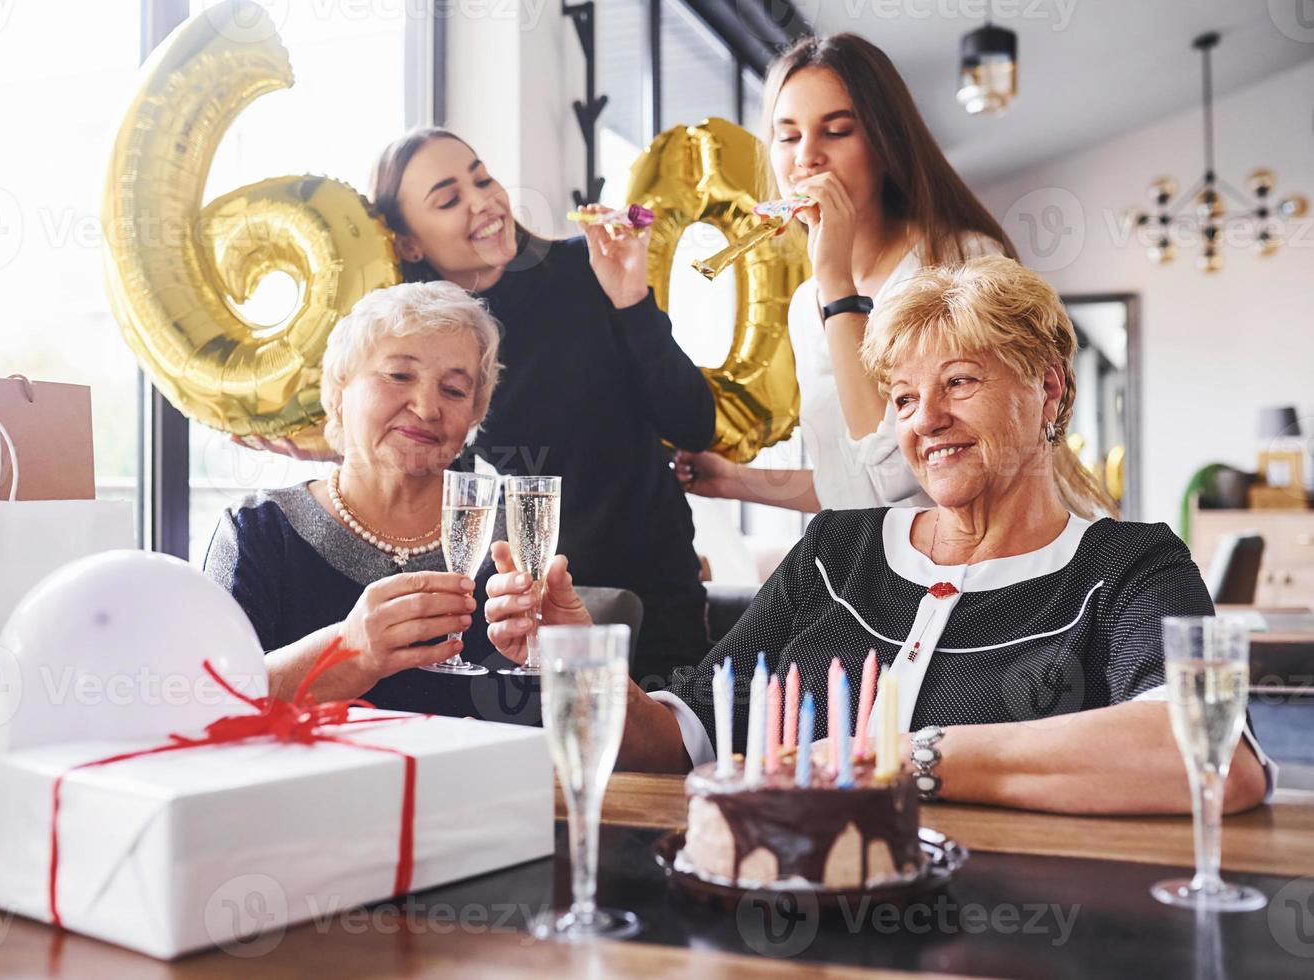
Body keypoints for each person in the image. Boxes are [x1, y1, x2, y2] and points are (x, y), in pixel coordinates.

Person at [485, 257, 1272, 814]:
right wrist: (575, 662)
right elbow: (683, 736)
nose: (926, 420)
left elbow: (1210, 759)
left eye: (959, 382)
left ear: (1048, 388)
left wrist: (901, 759)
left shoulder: (1128, 566)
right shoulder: (836, 551)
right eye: (902, 399)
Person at [364, 127, 717, 681]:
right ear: (410, 244)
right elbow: (439, 483)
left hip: (657, 596)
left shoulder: (588, 267)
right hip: (526, 612)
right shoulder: (425, 342)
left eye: (482, 179)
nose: (482, 201)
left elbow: (694, 422)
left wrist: (631, 300)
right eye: (450, 199)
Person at [675, 33, 1017, 515]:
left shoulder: (961, 263)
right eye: (788, 137)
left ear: (884, 143)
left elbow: (899, 475)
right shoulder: (806, 303)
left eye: (836, 131)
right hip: (860, 558)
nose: (806, 158)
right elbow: (852, 487)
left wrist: (838, 289)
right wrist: (732, 479)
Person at [205, 280, 521, 713]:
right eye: (399, 375)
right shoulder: (258, 531)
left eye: (453, 390)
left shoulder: (509, 542)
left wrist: (570, 653)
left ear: (474, 415)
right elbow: (208, 700)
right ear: (338, 394)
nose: (427, 408)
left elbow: (566, 721)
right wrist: (347, 652)